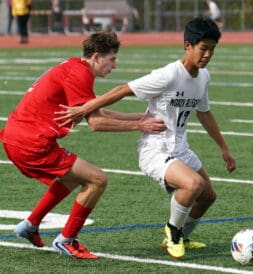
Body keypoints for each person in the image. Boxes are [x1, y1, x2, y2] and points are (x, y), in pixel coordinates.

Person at [54, 16, 236, 259]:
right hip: (155, 149)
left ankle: (180, 236)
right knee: (193, 184)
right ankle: (173, 231)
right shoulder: (168, 75)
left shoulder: (203, 77)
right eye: (203, 49)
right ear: (188, 46)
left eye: (212, 50)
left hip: (180, 147)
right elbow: (122, 90)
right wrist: (86, 109)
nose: (207, 55)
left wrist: (223, 147)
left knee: (207, 197)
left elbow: (204, 113)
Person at [0, 32, 165, 260]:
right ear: (96, 57)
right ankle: (67, 240)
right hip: (31, 141)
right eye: (112, 59)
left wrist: (137, 117)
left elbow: (94, 111)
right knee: (97, 179)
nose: (114, 66)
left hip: (15, 136)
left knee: (72, 177)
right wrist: (140, 125)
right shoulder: (80, 74)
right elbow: (96, 123)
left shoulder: (75, 68)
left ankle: (30, 225)